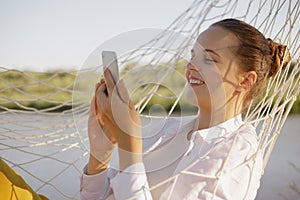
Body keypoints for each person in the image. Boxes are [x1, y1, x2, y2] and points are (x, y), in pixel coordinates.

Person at [80, 18, 290, 199]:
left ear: (245, 81)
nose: (191, 67)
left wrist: (129, 144)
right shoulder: (168, 131)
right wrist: (101, 153)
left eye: (209, 59)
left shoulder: (237, 157)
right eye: (193, 56)